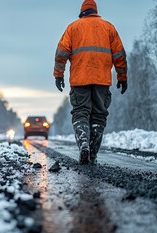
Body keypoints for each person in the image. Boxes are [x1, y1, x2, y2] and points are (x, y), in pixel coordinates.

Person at [53, 0, 128, 164]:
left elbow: (61, 53)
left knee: (81, 112)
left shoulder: (73, 27)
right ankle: (92, 154)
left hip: (80, 80)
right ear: (95, 11)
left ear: (82, 12)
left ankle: (84, 145)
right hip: (102, 81)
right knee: (99, 116)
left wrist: (59, 75)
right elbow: (119, 56)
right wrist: (122, 77)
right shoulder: (109, 27)